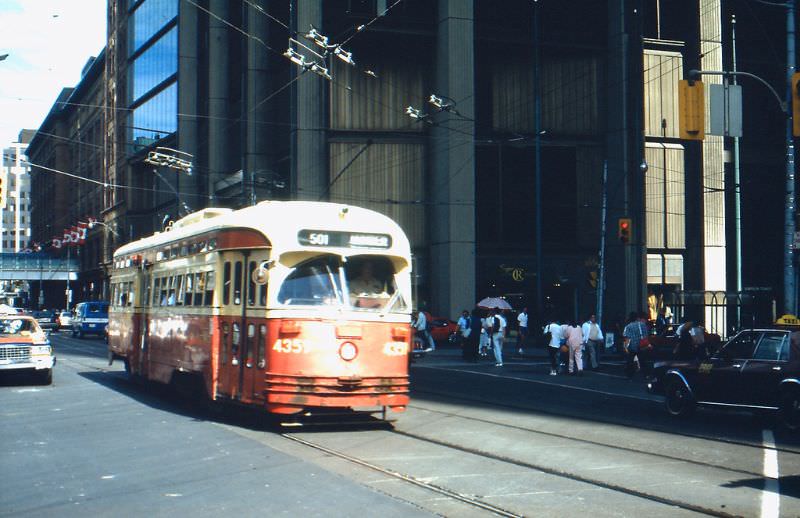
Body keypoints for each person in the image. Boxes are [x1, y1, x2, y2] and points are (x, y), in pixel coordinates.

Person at [622, 311, 648, 379]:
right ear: (637, 318)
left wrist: (625, 347)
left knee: (630, 360)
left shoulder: (628, 326)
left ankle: (630, 375)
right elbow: (646, 335)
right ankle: (646, 374)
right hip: (642, 345)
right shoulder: (643, 324)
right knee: (643, 360)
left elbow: (627, 337)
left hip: (632, 345)